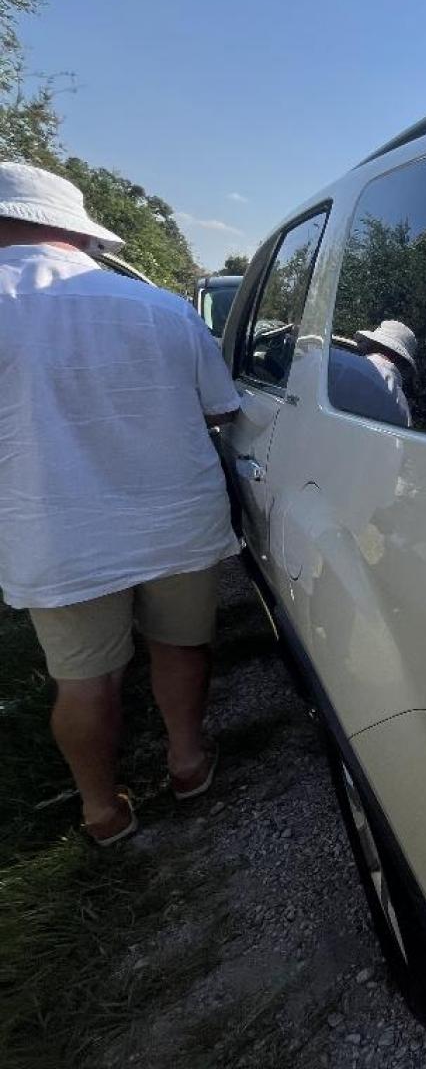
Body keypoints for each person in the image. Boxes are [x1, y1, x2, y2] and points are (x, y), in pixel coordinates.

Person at [0, 162, 241, 846]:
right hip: (176, 520)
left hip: (54, 535)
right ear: (74, 232)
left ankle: (102, 811)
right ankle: (189, 763)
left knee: (84, 683)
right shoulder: (162, 308)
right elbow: (221, 412)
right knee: (182, 646)